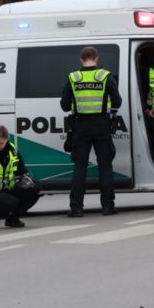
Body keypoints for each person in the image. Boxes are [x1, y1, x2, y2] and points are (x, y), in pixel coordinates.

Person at [60, 46, 122, 217]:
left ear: (81, 60)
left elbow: (65, 106)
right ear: (96, 58)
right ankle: (108, 207)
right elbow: (117, 102)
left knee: (80, 167)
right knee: (105, 167)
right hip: (102, 126)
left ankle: (76, 208)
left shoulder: (73, 78)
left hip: (80, 127)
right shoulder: (105, 76)